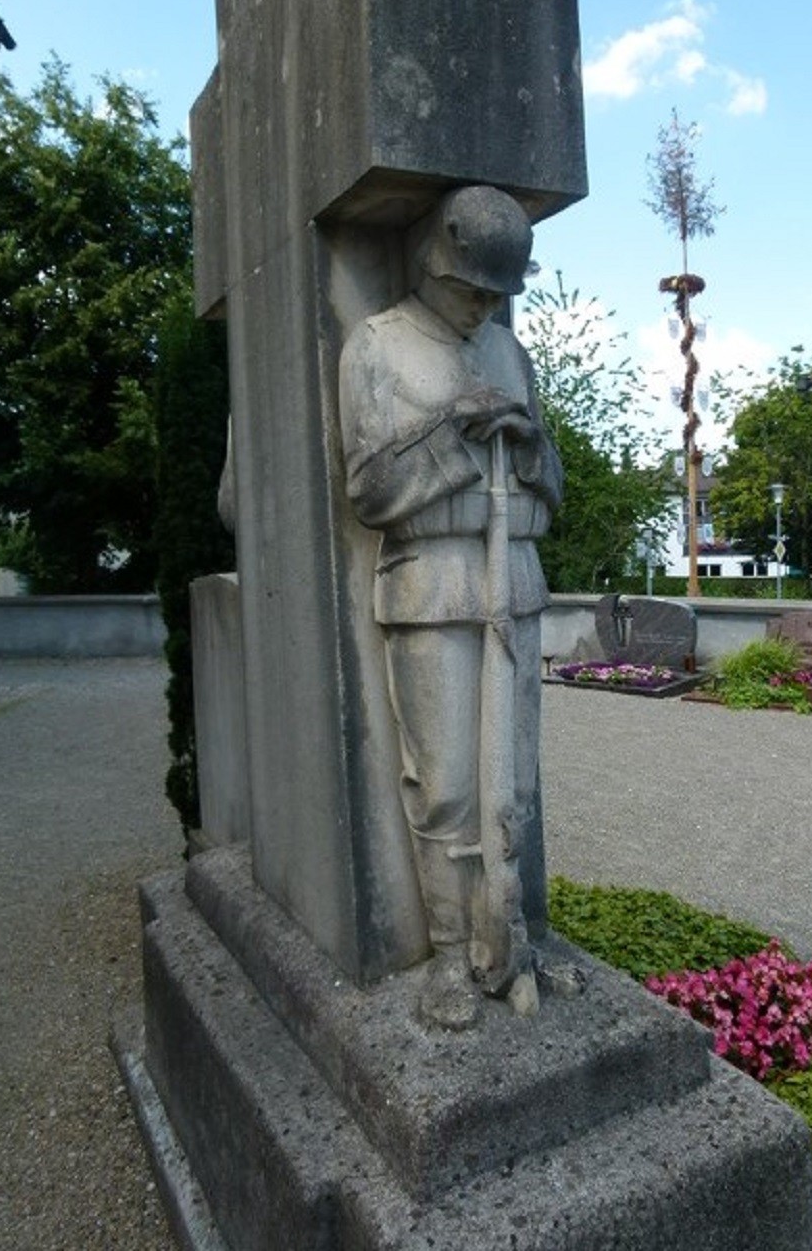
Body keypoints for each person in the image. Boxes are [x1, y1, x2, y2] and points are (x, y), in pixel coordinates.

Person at [339, 185, 562, 1029]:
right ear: (436, 262)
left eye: (497, 294)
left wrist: (530, 445)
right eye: (473, 288)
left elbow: (556, 487)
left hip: (514, 577)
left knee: (515, 782)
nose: (484, 306)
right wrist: (451, 434)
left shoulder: (511, 355)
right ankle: (446, 952)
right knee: (448, 788)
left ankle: (512, 938)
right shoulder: (377, 346)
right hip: (431, 585)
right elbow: (368, 490)